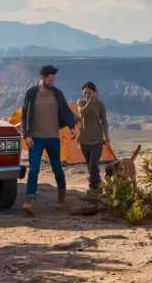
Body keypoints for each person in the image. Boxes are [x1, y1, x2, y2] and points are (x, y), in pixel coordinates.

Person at [20, 64, 77, 216]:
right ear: (42, 77)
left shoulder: (57, 93)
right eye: (50, 79)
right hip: (36, 139)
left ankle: (62, 197)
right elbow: (24, 115)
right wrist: (27, 135)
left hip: (53, 138)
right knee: (34, 170)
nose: (52, 82)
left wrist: (71, 127)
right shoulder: (31, 93)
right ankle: (30, 201)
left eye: (54, 79)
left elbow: (66, 111)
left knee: (57, 168)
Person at [77, 81, 110, 192]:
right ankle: (99, 185)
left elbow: (104, 121)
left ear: (95, 92)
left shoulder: (100, 105)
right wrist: (91, 99)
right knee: (90, 167)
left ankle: (94, 188)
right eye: (85, 93)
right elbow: (83, 113)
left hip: (97, 140)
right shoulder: (80, 102)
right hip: (84, 140)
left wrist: (107, 136)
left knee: (93, 165)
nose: (86, 95)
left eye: (89, 93)